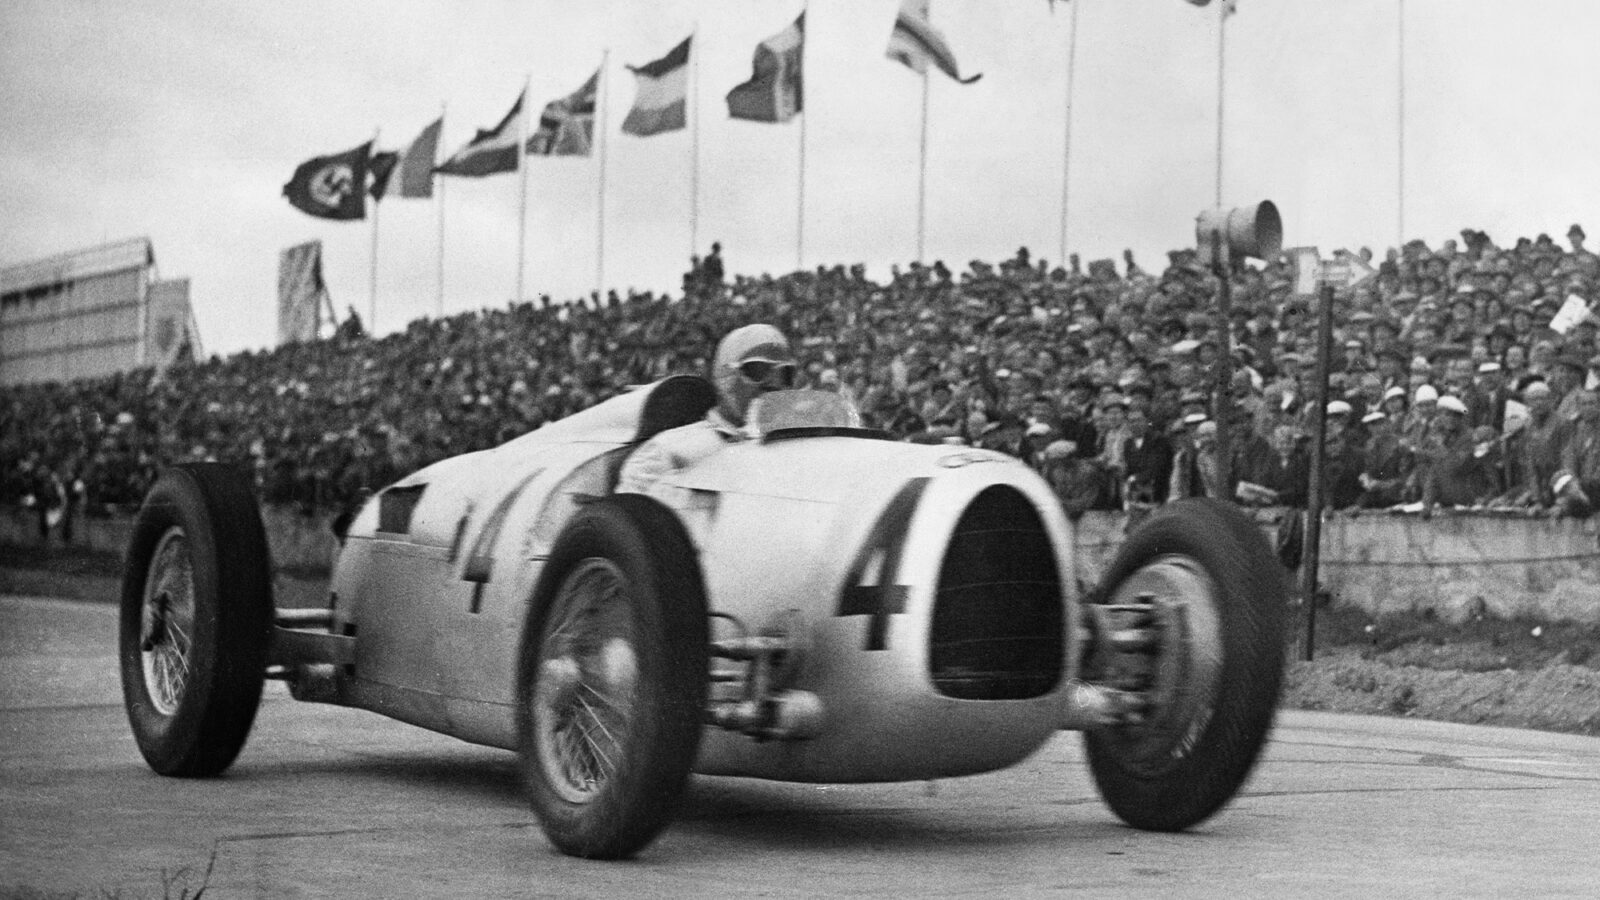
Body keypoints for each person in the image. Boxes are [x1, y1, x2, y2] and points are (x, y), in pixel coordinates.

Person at [616, 323, 796, 494]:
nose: (774, 383)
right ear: (726, 376)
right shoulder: (672, 448)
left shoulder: (793, 450)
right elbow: (624, 517)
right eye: (758, 370)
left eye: (784, 373)